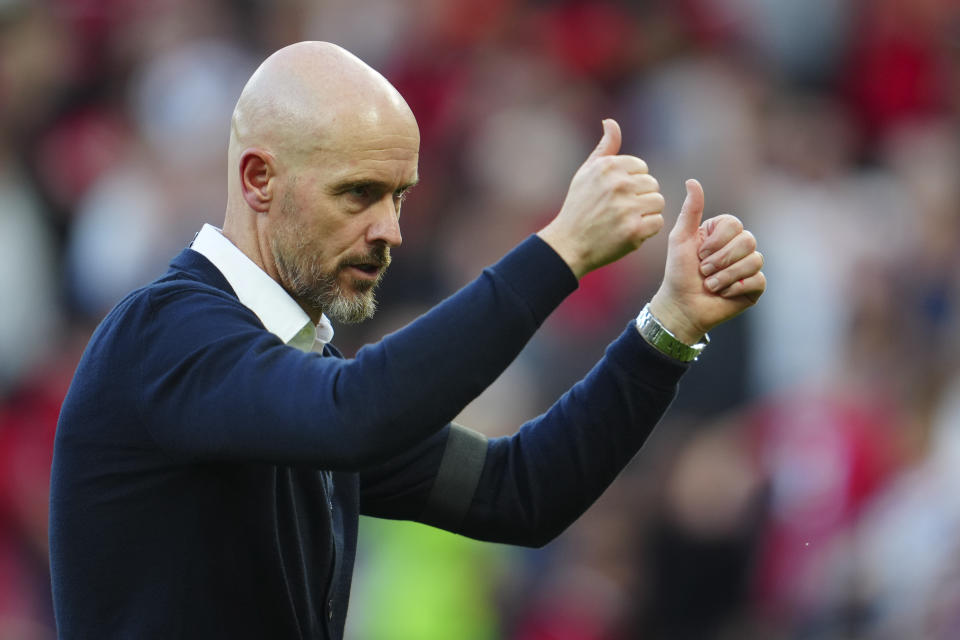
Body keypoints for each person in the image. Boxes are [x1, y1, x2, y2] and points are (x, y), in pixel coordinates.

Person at [49, 41, 765, 639]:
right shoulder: (163, 337)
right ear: (258, 178)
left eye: (399, 196)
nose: (389, 229)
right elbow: (354, 414)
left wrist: (670, 325)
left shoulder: (290, 375)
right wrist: (559, 250)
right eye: (358, 194)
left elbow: (522, 491)